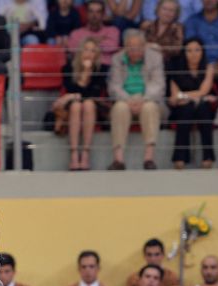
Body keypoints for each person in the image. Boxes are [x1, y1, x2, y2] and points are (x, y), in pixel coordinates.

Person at [107, 28, 165, 171]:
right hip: (126, 100)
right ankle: (118, 159)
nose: (135, 51)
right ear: (125, 47)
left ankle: (149, 158)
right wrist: (129, 100)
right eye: (131, 48)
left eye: (139, 47)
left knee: (149, 107)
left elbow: (158, 85)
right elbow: (114, 86)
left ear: (144, 46)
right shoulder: (117, 58)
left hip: (148, 99)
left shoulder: (155, 57)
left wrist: (143, 99)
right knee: (119, 108)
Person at [57, 37, 107, 171]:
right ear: (80, 51)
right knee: (76, 106)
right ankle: (74, 154)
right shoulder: (68, 67)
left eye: (93, 51)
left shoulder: (101, 70)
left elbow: (93, 93)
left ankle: (85, 153)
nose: (89, 53)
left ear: (97, 54)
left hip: (93, 107)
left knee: (88, 104)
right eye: (86, 49)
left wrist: (86, 73)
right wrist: (83, 75)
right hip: (72, 107)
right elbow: (71, 89)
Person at [166, 37, 215, 169]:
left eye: (197, 50)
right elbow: (175, 95)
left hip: (201, 105)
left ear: (203, 51)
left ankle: (208, 156)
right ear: (184, 53)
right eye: (189, 51)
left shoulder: (208, 67)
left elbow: (204, 90)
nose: (194, 54)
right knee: (187, 108)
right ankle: (180, 158)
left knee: (204, 108)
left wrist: (185, 95)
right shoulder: (175, 67)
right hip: (181, 107)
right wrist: (193, 97)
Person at [181, 0, 218, 67]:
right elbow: (190, 45)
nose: (209, 1)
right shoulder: (192, 21)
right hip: (198, 65)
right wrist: (205, 67)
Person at [55, 250, 120, 286]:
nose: (87, 270)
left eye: (91, 266)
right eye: (84, 267)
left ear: (98, 268)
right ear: (79, 269)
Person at [67, 0, 119, 65]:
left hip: (105, 69)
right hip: (82, 68)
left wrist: (85, 42)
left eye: (98, 12)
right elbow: (72, 48)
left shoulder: (112, 31)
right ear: (86, 14)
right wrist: (98, 40)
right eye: (91, 11)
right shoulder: (76, 33)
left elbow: (112, 46)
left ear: (103, 14)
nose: (94, 15)